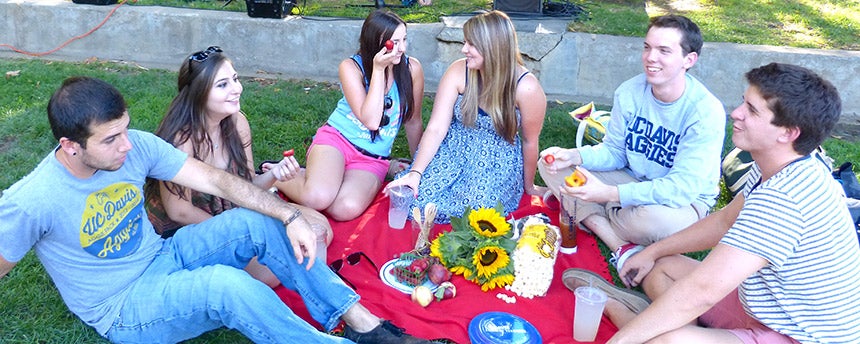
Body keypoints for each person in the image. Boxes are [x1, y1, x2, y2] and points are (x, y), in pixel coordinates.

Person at [0, 76, 433, 343]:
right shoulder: (32, 200)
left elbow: (214, 179)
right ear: (70, 146)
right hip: (123, 306)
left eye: (125, 131)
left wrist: (289, 215)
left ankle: (361, 323)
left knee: (253, 222)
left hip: (162, 257)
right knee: (226, 286)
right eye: (110, 140)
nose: (127, 146)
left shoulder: (134, 148)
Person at [567, 63, 860, 343]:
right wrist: (651, 252)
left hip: (797, 335)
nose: (736, 113)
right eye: (743, 102)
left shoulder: (784, 200)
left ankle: (626, 312)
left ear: (788, 133)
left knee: (665, 340)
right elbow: (723, 221)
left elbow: (703, 291)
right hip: (764, 306)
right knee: (662, 265)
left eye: (752, 111)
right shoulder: (776, 163)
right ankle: (661, 324)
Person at [540, 14, 725, 271]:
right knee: (551, 163)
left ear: (689, 59)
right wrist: (575, 157)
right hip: (631, 179)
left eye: (664, 51)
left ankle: (581, 209)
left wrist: (609, 195)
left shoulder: (705, 112)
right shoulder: (629, 92)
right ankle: (619, 243)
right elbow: (615, 152)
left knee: (653, 223)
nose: (651, 57)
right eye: (647, 47)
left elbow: (681, 188)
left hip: (681, 202)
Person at [144, 46, 311, 288]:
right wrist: (236, 232)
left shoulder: (237, 123)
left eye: (235, 79)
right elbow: (179, 212)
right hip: (185, 235)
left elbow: (247, 186)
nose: (236, 89)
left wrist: (274, 175)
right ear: (199, 94)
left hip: (231, 218)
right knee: (281, 264)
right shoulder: (181, 141)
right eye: (222, 85)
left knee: (316, 230)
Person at [385, 10, 547, 223]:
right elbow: (436, 128)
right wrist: (416, 173)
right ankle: (404, 169)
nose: (464, 50)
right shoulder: (459, 71)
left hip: (496, 158)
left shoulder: (526, 87)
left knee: (478, 213)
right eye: (465, 42)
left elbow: (529, 141)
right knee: (413, 200)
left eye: (471, 45)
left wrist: (529, 186)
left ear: (493, 48)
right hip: (454, 147)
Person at [274, 9, 425, 222]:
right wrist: (379, 70)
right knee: (317, 198)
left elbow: (413, 121)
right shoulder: (351, 67)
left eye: (404, 40)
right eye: (394, 43)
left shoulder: (412, 69)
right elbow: (371, 120)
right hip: (338, 140)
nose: (402, 49)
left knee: (344, 209)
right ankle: (276, 174)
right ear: (376, 43)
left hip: (373, 157)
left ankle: (325, 179)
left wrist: (419, 169)